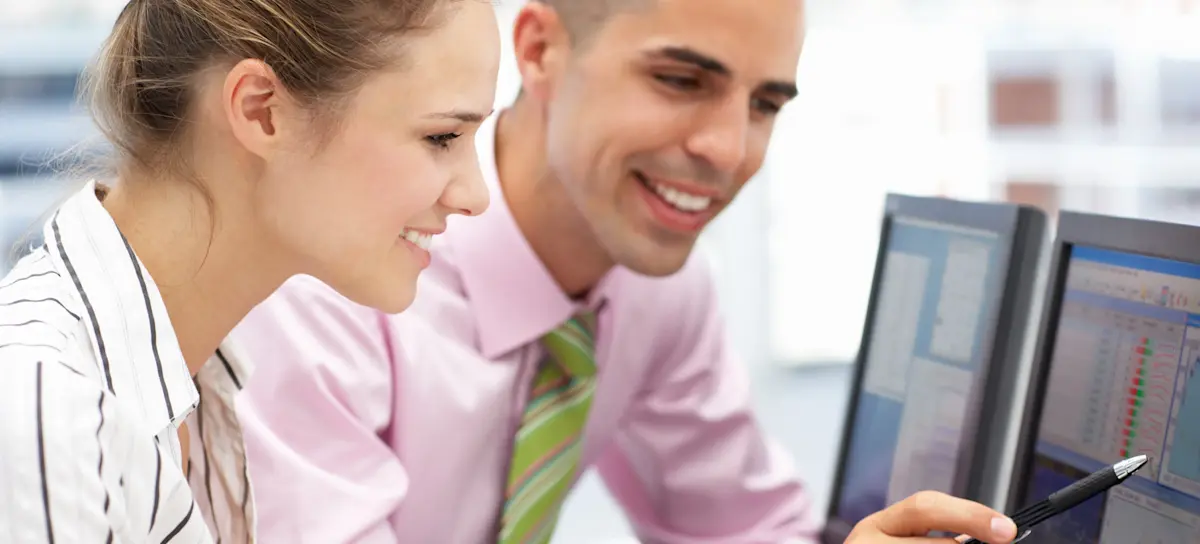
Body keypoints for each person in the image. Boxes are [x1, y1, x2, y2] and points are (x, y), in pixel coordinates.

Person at [230, 0, 1020, 543]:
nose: (730, 149)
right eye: (680, 80)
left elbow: (740, 525)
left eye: (766, 105)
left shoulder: (660, 287)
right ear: (538, 51)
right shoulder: (326, 281)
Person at [0, 0, 497, 541]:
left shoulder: (198, 382)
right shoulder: (46, 416)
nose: (475, 196)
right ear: (261, 110)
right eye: (441, 137)